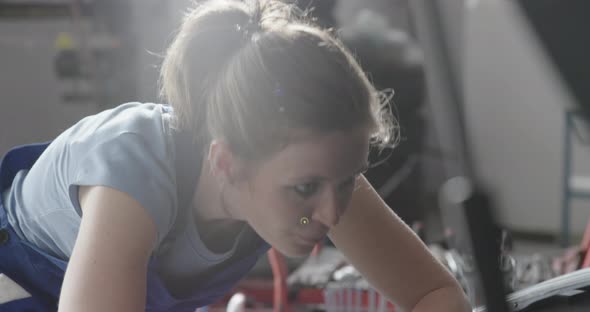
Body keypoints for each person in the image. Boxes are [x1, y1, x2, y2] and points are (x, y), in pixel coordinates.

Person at [0, 0, 471, 311]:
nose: (331, 212)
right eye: (305, 190)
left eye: (348, 180)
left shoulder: (310, 174)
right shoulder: (130, 176)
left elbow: (434, 294)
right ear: (225, 162)